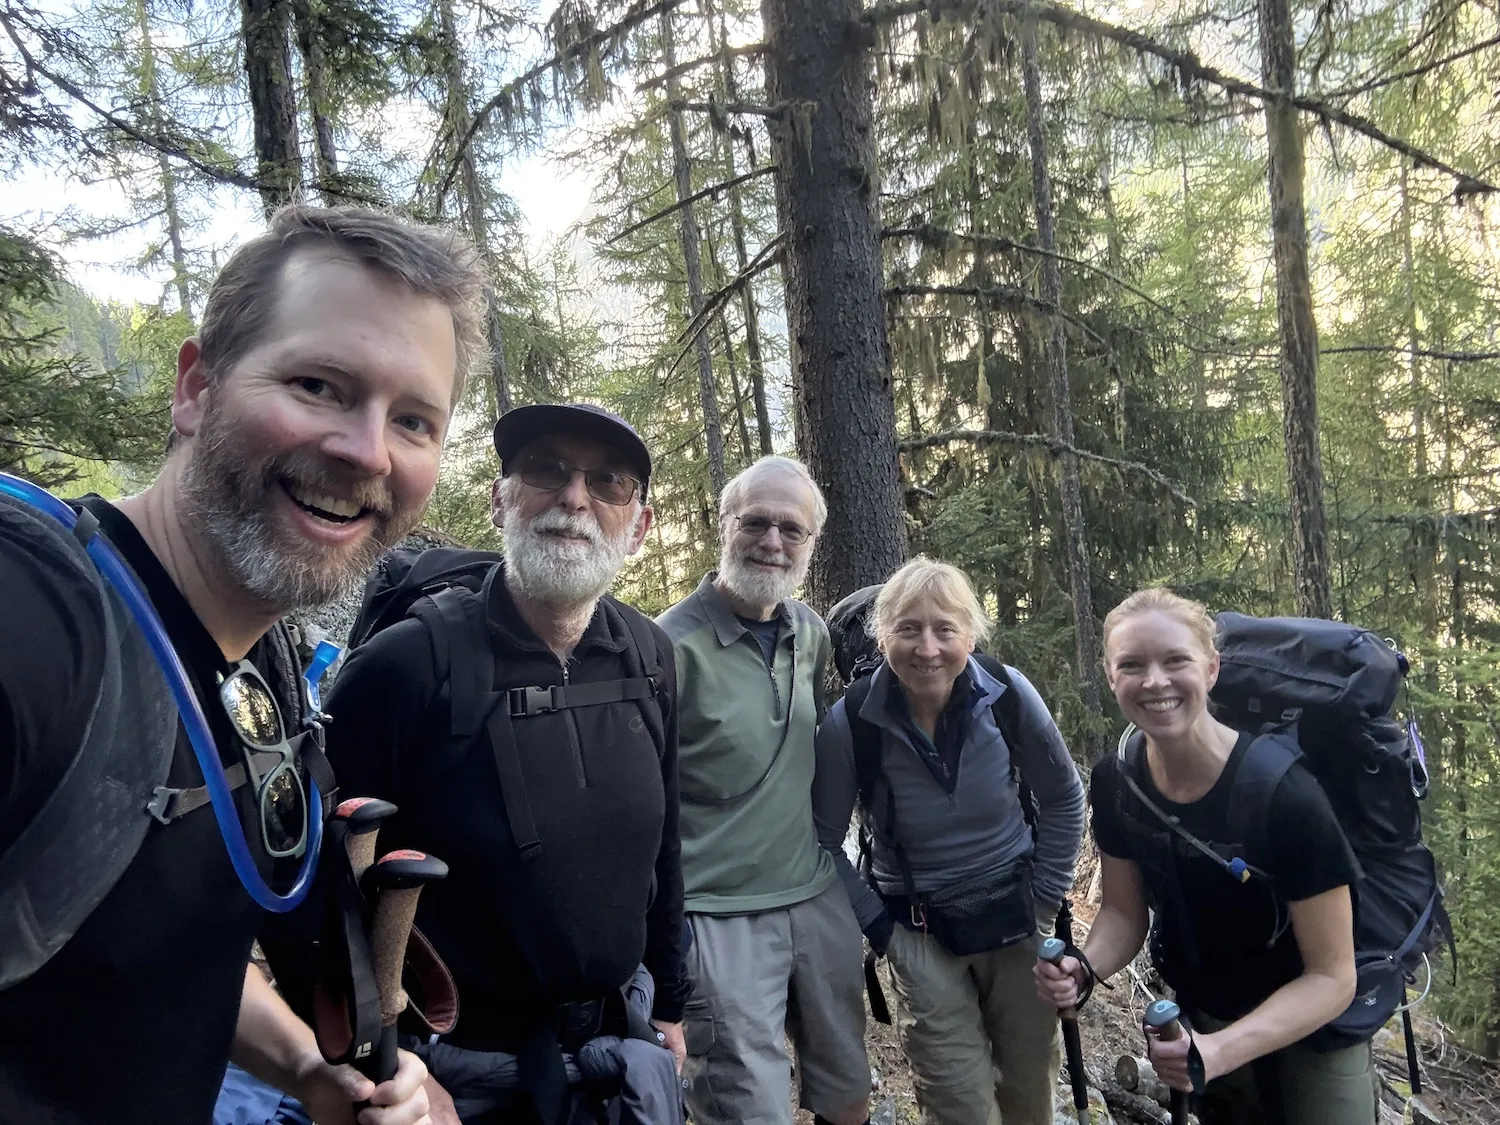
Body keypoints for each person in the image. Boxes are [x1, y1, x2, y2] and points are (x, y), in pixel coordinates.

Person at [0, 204, 485, 1125]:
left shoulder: (262, 663)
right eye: (317, 384)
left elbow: (157, 955)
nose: (366, 449)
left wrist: (308, 1068)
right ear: (195, 388)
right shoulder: (38, 622)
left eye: (414, 419)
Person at [319, 402, 689, 1124]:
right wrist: (389, 1062)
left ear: (639, 527)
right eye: (545, 468)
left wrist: (671, 1000)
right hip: (464, 1079)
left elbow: (664, 842)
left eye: (608, 482)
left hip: (618, 1048)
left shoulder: (650, 657)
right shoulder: (410, 665)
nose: (574, 497)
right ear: (499, 499)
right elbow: (325, 889)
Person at [1035, 588, 1370, 1125]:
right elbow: (1124, 914)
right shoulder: (1116, 783)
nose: (1155, 681)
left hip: (1313, 1034)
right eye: (1132, 665)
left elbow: (1334, 977)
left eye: (1176, 661)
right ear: (1109, 674)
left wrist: (1220, 1051)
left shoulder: (1286, 796)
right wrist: (1085, 969)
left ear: (1211, 669)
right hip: (1203, 1019)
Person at [813, 558, 1084, 1125]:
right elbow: (820, 841)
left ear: (971, 634)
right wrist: (884, 931)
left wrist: (1043, 900)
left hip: (1017, 922)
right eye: (908, 629)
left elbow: (1063, 796)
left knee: (1030, 1093)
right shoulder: (852, 724)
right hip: (919, 933)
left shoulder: (1006, 695)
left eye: (945, 629)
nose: (927, 648)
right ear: (883, 635)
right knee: (958, 1103)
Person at [656, 456, 871, 1125]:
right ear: (723, 524)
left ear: (811, 542)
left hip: (812, 894)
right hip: (716, 912)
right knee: (747, 1107)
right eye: (755, 522)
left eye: (791, 528)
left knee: (848, 1089)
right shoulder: (668, 647)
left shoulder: (809, 631)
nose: (772, 541)